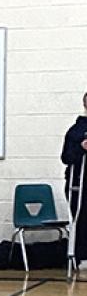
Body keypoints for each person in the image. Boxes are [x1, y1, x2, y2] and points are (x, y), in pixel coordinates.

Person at [60, 91, 87, 269]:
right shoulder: (76, 131)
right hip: (80, 184)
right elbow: (66, 157)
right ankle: (82, 257)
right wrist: (81, 147)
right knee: (83, 218)